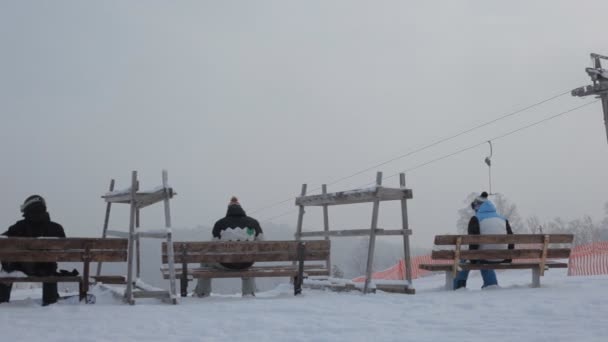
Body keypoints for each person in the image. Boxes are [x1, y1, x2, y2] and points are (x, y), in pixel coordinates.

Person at [0, 195, 66, 305]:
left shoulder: (19, 226)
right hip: (46, 270)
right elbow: (64, 249)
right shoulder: (56, 228)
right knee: (51, 271)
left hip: (22, 269)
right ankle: (50, 300)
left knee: (6, 270)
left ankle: (2, 300)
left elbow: (2, 241)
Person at [194, 196, 264, 297]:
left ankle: (202, 292)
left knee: (205, 261)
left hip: (225, 264)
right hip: (246, 263)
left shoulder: (220, 223)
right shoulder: (253, 223)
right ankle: (248, 292)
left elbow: (214, 245)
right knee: (247, 261)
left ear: (228, 210)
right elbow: (261, 242)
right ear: (242, 209)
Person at [453, 192, 514, 290]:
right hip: (503, 256)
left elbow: (473, 242)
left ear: (478, 206)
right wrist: (508, 257)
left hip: (484, 256)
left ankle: (458, 286)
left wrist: (472, 259)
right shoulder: (503, 219)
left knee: (467, 259)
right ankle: (491, 284)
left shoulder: (476, 219)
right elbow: (511, 238)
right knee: (485, 257)